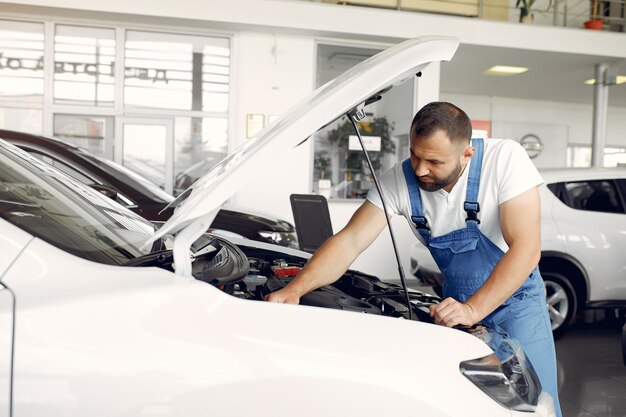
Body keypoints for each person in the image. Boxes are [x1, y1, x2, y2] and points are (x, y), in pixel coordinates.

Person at [265, 101, 562, 416]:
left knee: (532, 402)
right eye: (415, 154)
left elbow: (526, 249)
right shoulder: (400, 180)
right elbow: (349, 241)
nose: (420, 169)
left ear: (467, 155)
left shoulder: (504, 159)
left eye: (434, 161)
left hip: (516, 304)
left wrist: (474, 308)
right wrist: (295, 289)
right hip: (454, 305)